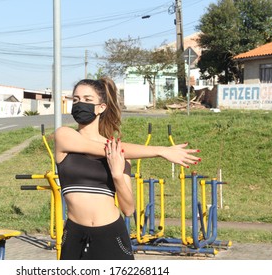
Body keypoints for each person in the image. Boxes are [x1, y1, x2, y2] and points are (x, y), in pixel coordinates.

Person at [54, 77, 201, 260]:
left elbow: (128, 209)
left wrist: (117, 175)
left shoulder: (121, 155)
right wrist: (160, 150)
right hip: (75, 234)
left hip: (111, 235)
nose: (80, 104)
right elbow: (106, 149)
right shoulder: (65, 136)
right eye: (76, 99)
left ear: (102, 107)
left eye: (87, 99)